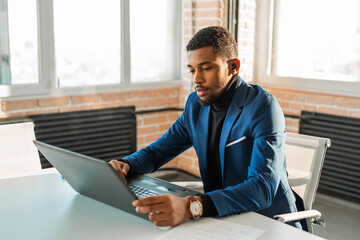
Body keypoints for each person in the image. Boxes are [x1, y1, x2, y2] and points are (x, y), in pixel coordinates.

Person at [109, 26, 301, 229]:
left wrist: (192, 207)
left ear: (233, 67)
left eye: (206, 68)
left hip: (268, 221)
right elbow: (159, 151)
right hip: (219, 217)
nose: (196, 79)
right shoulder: (195, 104)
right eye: (192, 70)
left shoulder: (262, 106)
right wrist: (125, 165)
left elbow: (262, 189)